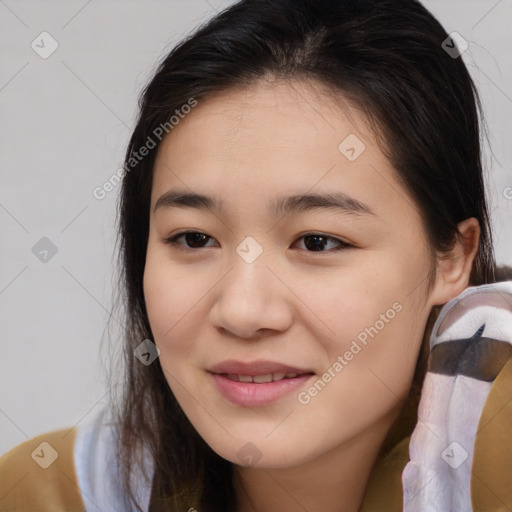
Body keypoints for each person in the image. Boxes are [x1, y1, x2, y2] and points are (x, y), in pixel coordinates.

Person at [1, 0, 511, 510]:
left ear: (453, 256)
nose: (242, 312)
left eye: (317, 241)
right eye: (194, 239)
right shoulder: (53, 494)